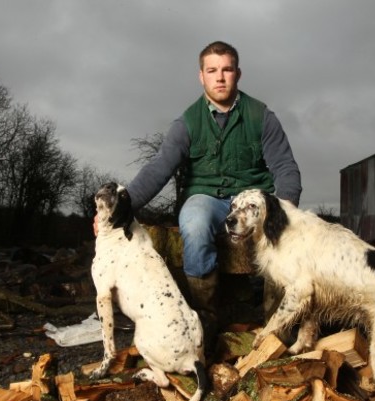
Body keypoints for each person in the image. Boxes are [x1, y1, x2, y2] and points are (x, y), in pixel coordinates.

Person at [121, 41, 301, 347]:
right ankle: (206, 316)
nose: (220, 77)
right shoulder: (187, 122)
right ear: (201, 77)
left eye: (227, 70)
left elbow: (286, 168)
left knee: (282, 234)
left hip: (251, 197)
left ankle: (278, 324)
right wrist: (120, 211)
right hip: (205, 198)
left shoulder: (262, 117)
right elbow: (158, 168)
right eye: (212, 70)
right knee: (193, 223)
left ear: (238, 74)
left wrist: (283, 209)